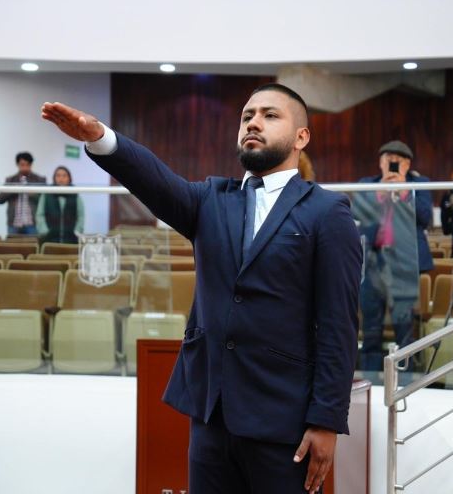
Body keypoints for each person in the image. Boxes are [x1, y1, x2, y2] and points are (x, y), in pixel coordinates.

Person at [41, 83, 362, 494]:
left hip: (285, 421)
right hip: (211, 416)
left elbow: (338, 325)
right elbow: (155, 181)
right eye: (247, 116)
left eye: (270, 115)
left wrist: (326, 420)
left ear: (301, 137)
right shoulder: (212, 198)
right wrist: (100, 138)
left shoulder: (327, 211)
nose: (254, 123)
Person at [351, 140, 432, 371]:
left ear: (408, 165)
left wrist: (405, 192)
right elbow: (357, 214)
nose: (393, 164)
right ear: (380, 163)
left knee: (404, 330)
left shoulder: (419, 184)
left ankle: (404, 382)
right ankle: (371, 380)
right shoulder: (367, 185)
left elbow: (425, 218)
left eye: (399, 161)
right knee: (371, 329)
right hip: (372, 263)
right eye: (389, 160)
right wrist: (379, 194)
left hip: (405, 264)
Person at [0, 151, 46, 235]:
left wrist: (30, 192)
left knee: (33, 244)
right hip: (14, 224)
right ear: (17, 165)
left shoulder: (39, 180)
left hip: (32, 223)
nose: (25, 168)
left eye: (27, 165)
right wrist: (13, 189)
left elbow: (44, 201)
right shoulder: (10, 180)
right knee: (12, 244)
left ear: (31, 165)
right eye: (22, 165)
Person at [36, 166, 85, 244]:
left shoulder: (75, 194)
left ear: (69, 178)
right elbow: (40, 214)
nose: (61, 178)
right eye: (58, 175)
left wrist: (77, 231)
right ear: (54, 178)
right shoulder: (46, 194)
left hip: (71, 240)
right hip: (49, 240)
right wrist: (44, 230)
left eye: (64, 176)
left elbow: (81, 215)